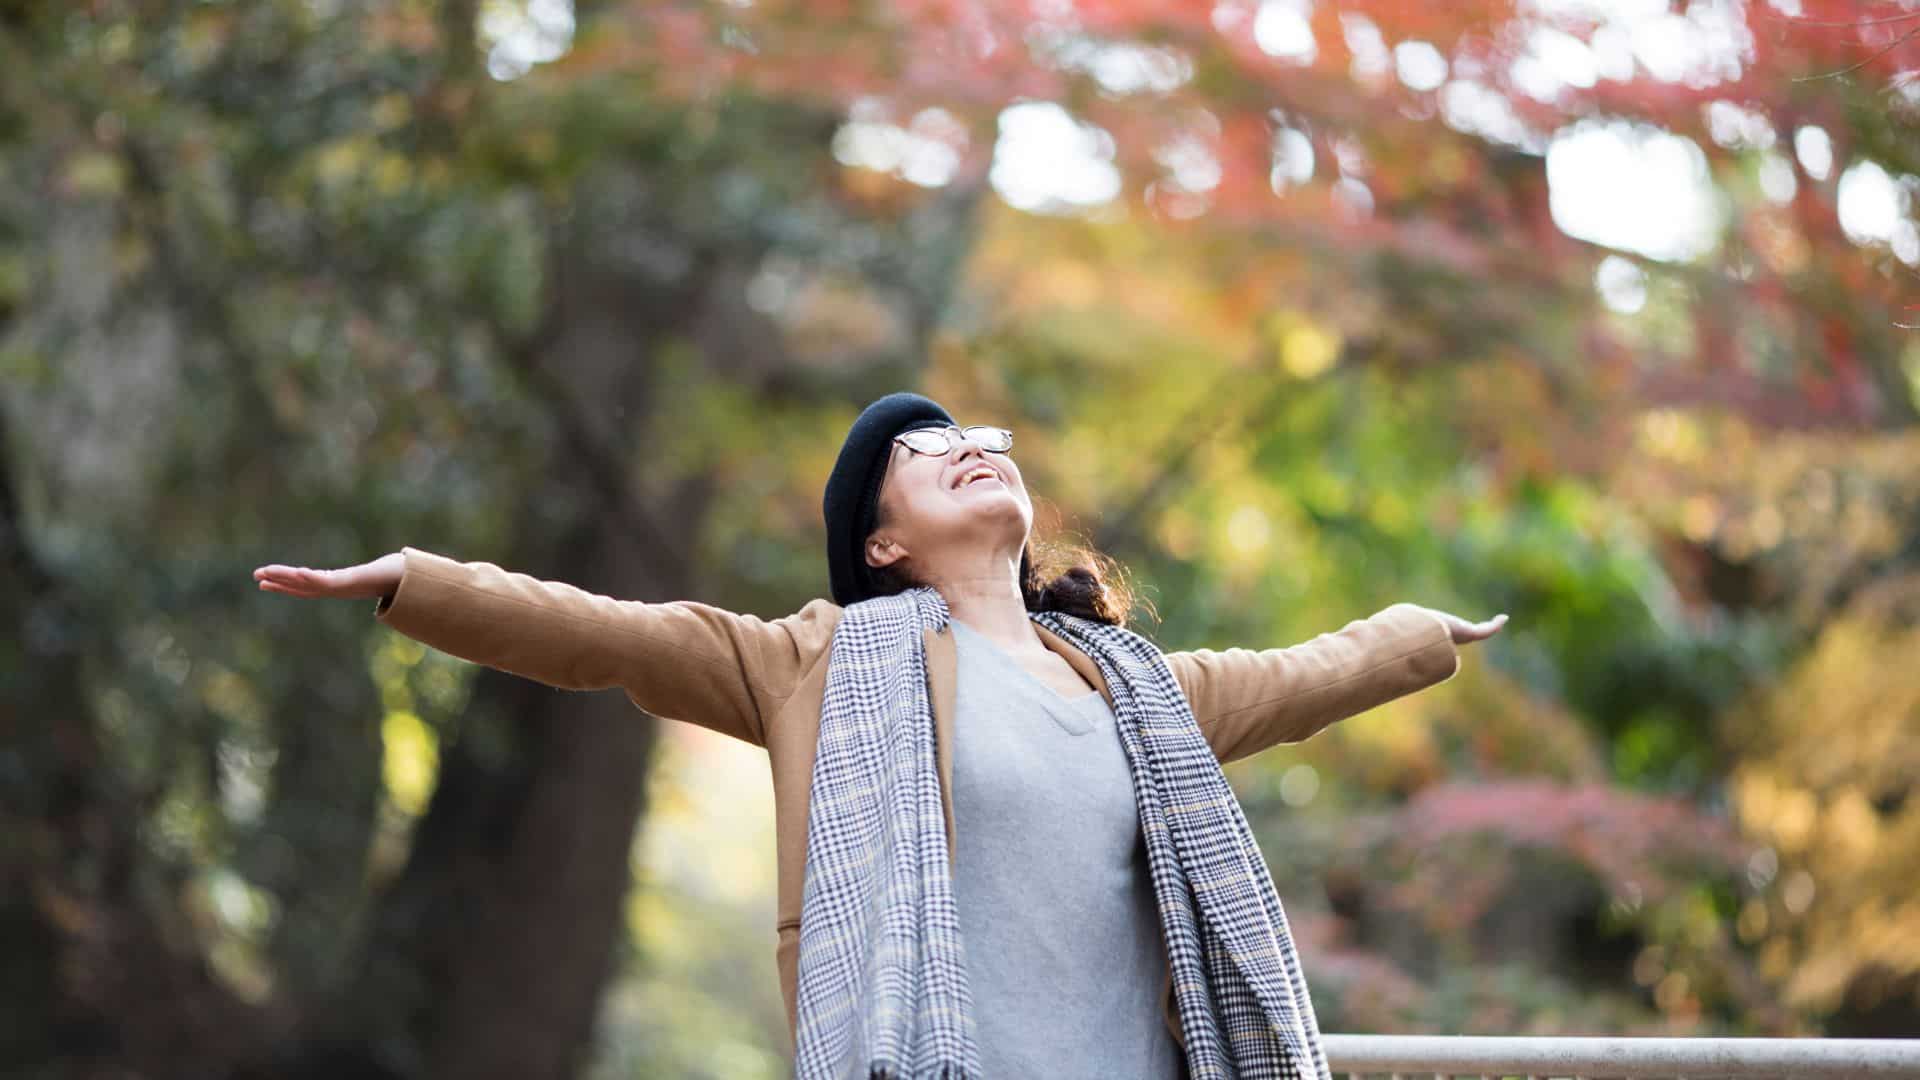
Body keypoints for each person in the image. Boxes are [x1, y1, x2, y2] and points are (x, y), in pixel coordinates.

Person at [254, 391, 1504, 1079]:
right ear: (881, 543)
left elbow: (1302, 672)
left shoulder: (1132, 689)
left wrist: (1423, 632)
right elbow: (603, 631)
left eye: (977, 438)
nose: (967, 448)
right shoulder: (809, 668)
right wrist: (408, 580)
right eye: (924, 450)